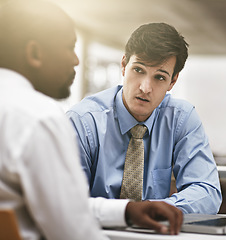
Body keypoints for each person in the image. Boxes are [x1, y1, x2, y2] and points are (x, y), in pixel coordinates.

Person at [0, 1, 182, 239]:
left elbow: (64, 206)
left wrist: (126, 210)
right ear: (35, 53)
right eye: (69, 47)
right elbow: (73, 230)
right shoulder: (38, 117)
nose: (76, 60)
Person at [66, 23, 222, 215]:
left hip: (155, 232)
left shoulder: (180, 118)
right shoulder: (83, 121)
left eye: (160, 77)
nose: (145, 88)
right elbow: (67, 202)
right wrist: (126, 213)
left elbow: (207, 192)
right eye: (138, 70)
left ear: (172, 81)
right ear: (123, 65)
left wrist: (156, 211)